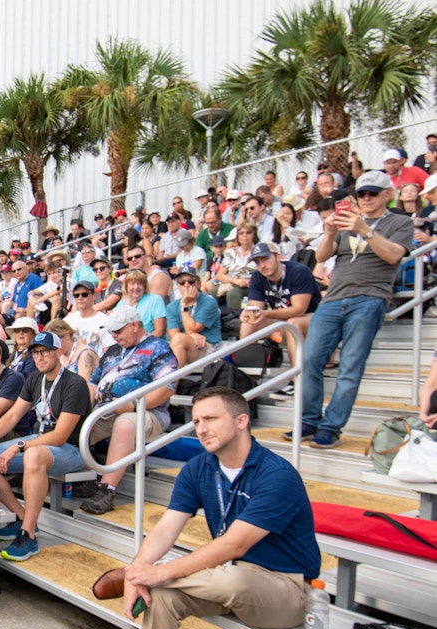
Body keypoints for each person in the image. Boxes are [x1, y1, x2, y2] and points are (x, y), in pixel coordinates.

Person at [123, 387, 320, 629]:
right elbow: (166, 528)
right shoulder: (199, 467)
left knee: (228, 580)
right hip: (231, 576)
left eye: (211, 419)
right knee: (161, 598)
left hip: (286, 588)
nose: (201, 429)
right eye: (197, 421)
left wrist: (152, 573)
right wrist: (136, 571)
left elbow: (235, 544)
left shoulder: (277, 475)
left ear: (241, 421)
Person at [293, 170, 414, 449]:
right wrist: (330, 232)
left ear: (388, 194)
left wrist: (365, 230)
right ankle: (310, 420)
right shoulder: (347, 221)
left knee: (350, 364)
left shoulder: (400, 222)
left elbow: (394, 255)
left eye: (373, 192)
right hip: (334, 297)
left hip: (370, 297)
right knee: (309, 358)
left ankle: (331, 426)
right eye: (362, 193)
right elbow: (321, 257)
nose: (367, 198)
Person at [0, 332, 92, 560]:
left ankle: (28, 536)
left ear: (58, 353)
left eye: (45, 352)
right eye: (36, 353)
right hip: (39, 442)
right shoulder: (35, 379)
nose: (40, 357)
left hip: (72, 450)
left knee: (33, 455)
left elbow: (59, 436)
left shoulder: (74, 384)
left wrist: (18, 446)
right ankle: (21, 517)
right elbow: (11, 417)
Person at [80, 305, 179, 515]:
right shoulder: (113, 351)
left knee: (125, 422)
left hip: (148, 412)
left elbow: (166, 388)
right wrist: (82, 410)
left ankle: (107, 489)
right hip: (105, 410)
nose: (114, 335)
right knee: (73, 425)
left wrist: (132, 405)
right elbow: (93, 382)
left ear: (134, 326)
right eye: (112, 331)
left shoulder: (158, 348)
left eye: (118, 330)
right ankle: (87, 475)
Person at [239, 242, 321, 394]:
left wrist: (267, 314)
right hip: (284, 322)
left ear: (278, 257)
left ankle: (297, 381)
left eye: (265, 259)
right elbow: (256, 309)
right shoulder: (258, 277)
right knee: (248, 324)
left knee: (293, 323)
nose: (262, 265)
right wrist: (248, 314)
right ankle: (247, 381)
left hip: (315, 321)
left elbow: (299, 309)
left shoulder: (298, 271)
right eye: (257, 262)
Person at [165, 266, 222, 367]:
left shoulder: (209, 301)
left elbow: (194, 329)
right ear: (178, 285)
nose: (186, 285)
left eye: (191, 281)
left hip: (208, 346)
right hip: (184, 347)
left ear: (198, 283)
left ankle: (171, 382)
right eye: (182, 282)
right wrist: (190, 336)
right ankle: (173, 381)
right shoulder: (172, 306)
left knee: (178, 340)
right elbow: (173, 334)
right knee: (176, 341)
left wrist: (184, 307)